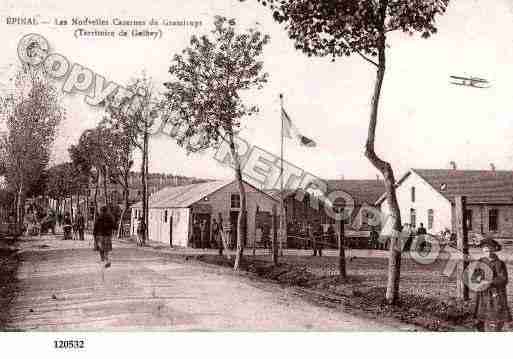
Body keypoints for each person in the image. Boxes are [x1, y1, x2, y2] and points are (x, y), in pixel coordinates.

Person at [473, 237, 511, 331]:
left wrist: (490, 281)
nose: (488, 253)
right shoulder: (480, 262)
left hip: (496, 294)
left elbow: (503, 279)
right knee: (481, 318)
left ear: (494, 250)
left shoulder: (499, 263)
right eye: (486, 251)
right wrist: (478, 280)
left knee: (496, 317)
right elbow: (474, 278)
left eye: (490, 250)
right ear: (483, 250)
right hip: (483, 294)